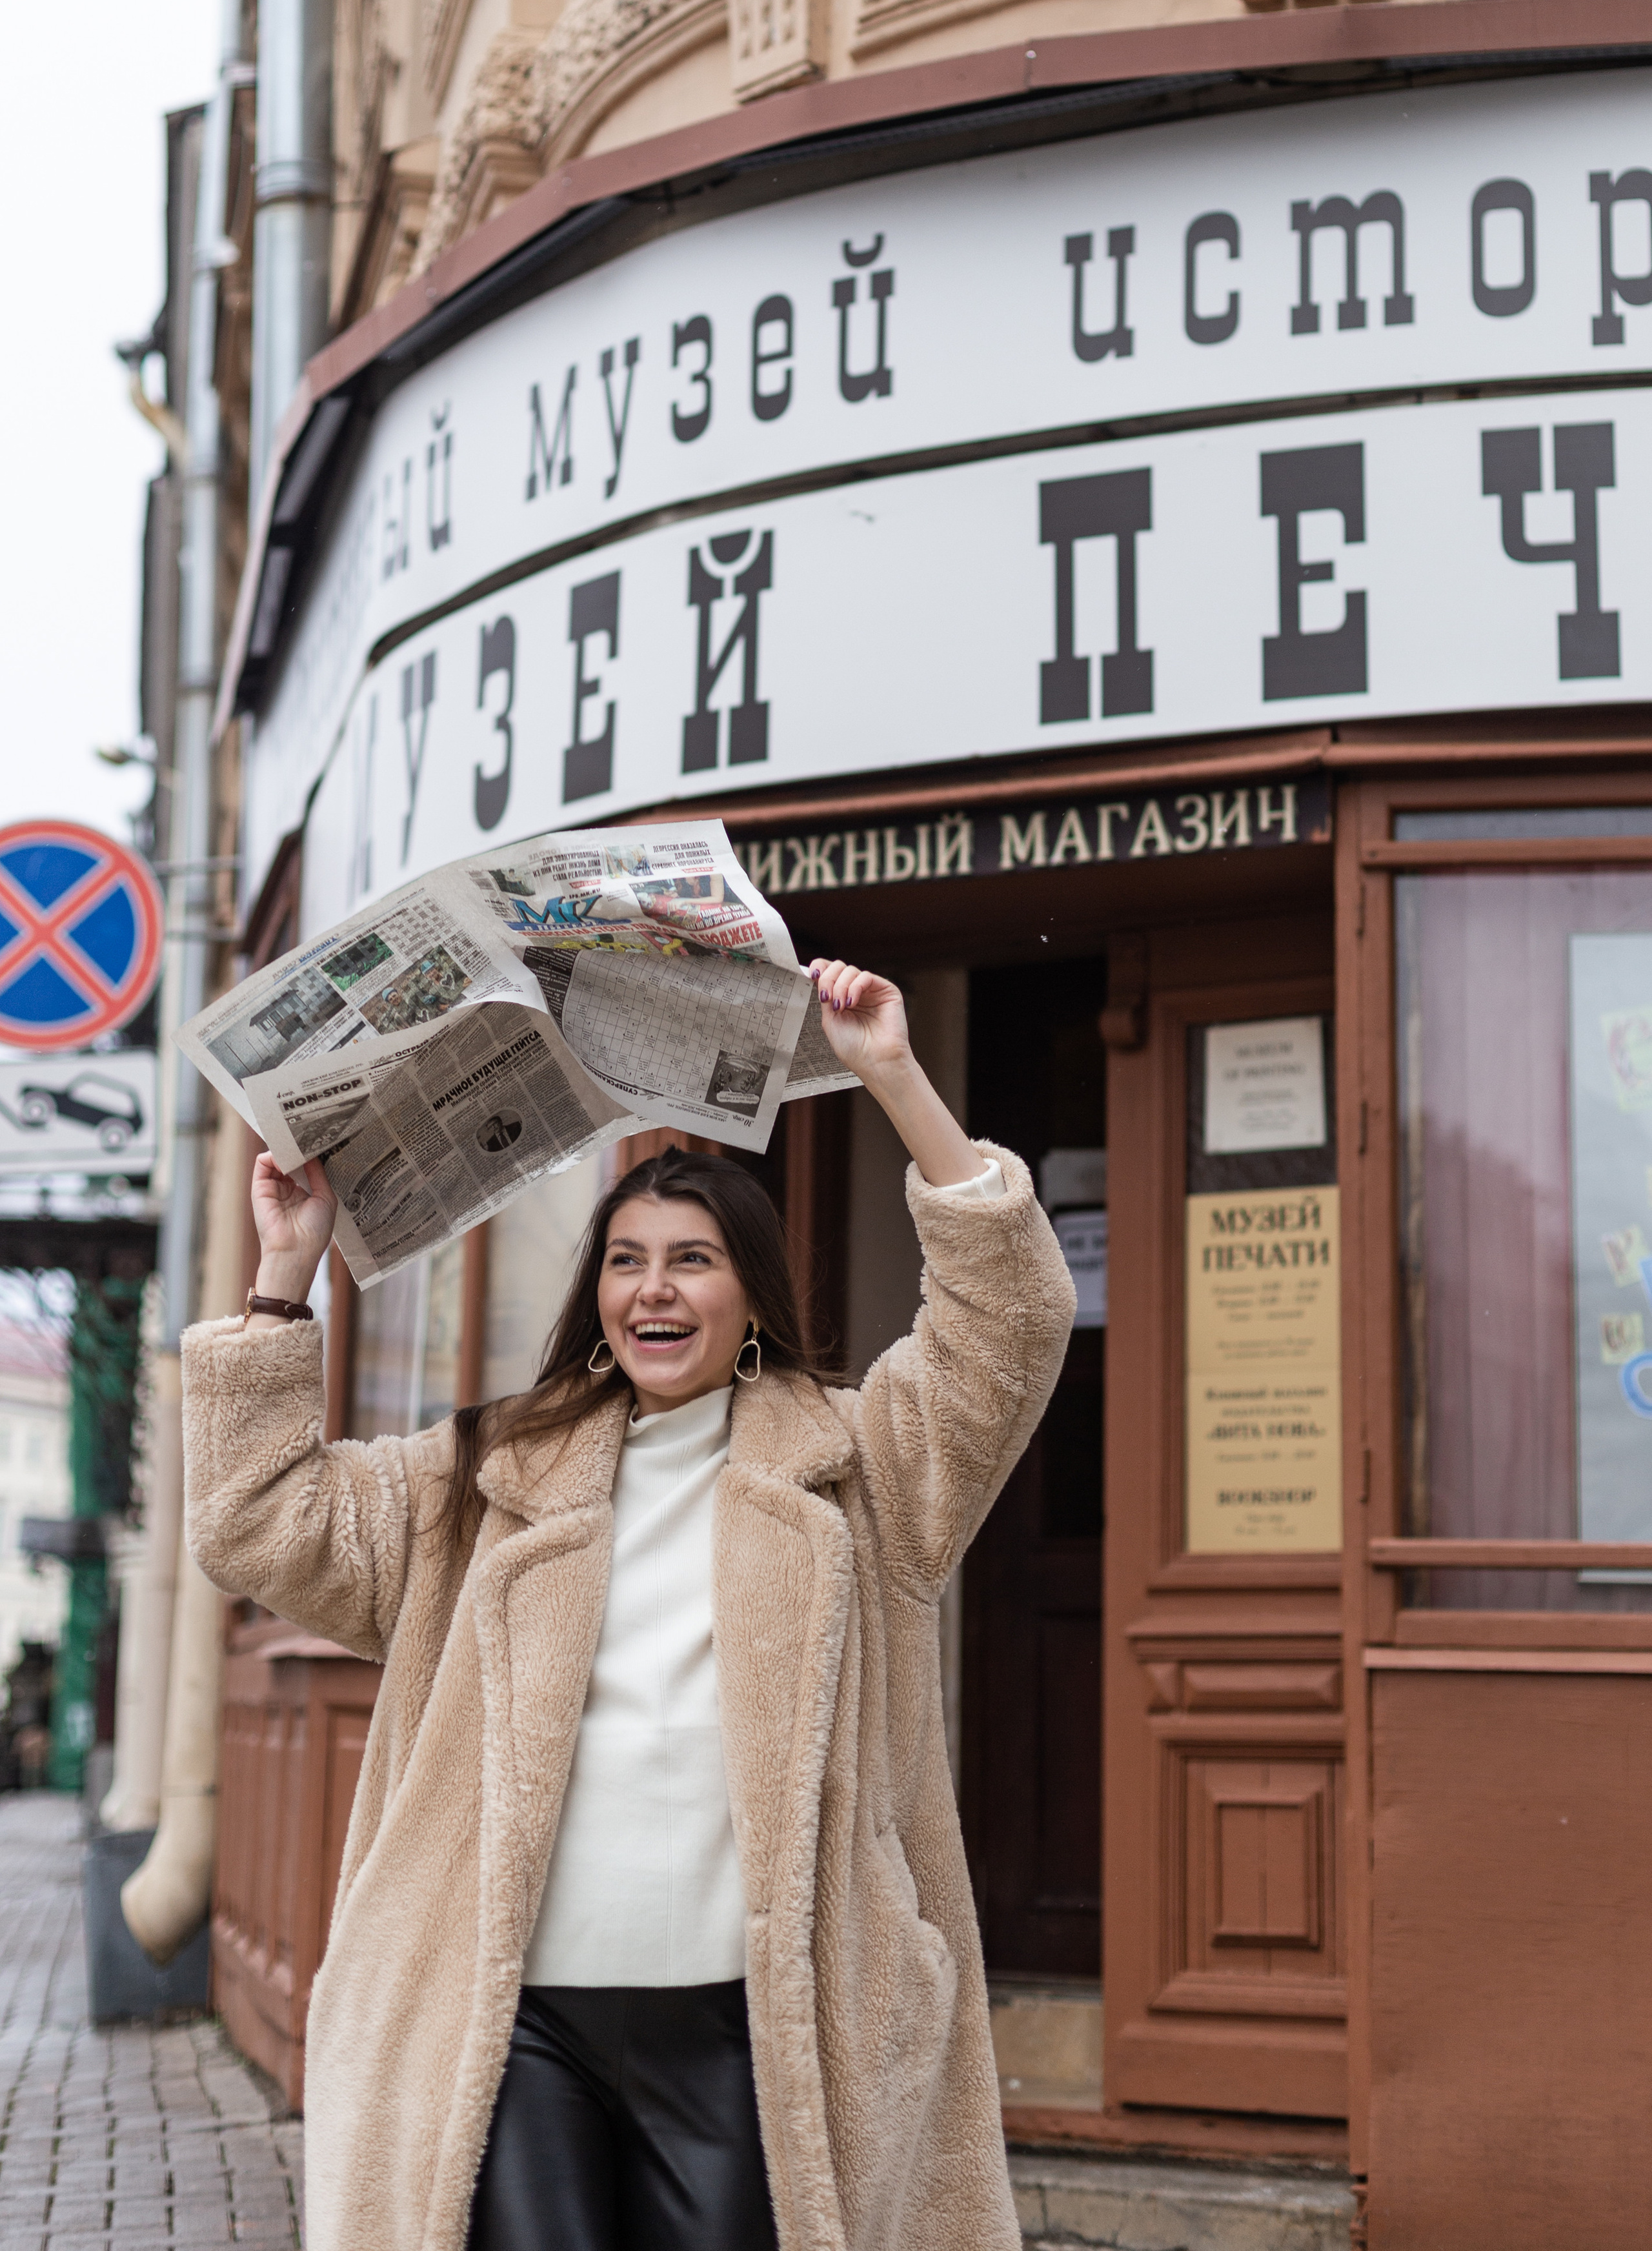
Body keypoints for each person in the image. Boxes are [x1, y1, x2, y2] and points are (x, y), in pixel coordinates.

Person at [182, 958, 1075, 2251]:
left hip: (752, 2021)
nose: (653, 1286)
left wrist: (889, 1068)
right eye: (626, 1261)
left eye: (693, 1260)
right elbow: (255, 1518)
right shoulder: (481, 1476)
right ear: (597, 1299)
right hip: (518, 2018)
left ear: (751, 1298)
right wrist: (283, 1274)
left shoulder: (863, 1467)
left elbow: (1010, 1320)